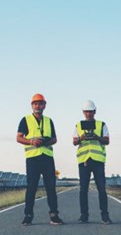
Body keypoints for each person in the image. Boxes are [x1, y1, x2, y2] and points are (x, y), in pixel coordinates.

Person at [16, 93, 63, 225]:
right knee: (31, 188)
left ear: (44, 105)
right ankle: (28, 216)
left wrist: (47, 142)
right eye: (35, 103)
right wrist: (32, 141)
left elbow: (55, 139)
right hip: (33, 159)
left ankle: (54, 216)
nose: (38, 106)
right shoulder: (25, 120)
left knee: (51, 188)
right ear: (32, 105)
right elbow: (19, 137)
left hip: (47, 158)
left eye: (40, 103)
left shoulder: (49, 121)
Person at [72, 100, 112, 224]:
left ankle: (105, 216)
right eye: (86, 112)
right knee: (83, 189)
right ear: (83, 112)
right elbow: (74, 142)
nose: (88, 114)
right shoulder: (78, 125)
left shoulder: (102, 125)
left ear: (95, 111)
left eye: (90, 112)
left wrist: (97, 137)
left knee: (101, 189)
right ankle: (84, 215)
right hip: (84, 160)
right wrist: (81, 138)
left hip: (98, 161)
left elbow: (107, 141)